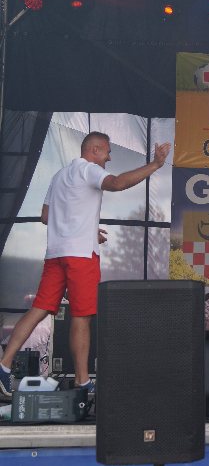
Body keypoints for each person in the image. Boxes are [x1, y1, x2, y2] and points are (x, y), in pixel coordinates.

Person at [0, 132, 169, 398]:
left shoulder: (58, 176)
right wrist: (155, 165)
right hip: (80, 256)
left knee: (39, 309)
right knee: (81, 316)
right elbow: (117, 183)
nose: (109, 158)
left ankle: (4, 364)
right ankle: (82, 381)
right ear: (95, 150)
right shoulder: (88, 170)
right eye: (108, 152)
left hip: (56, 254)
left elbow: (46, 216)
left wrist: (86, 229)